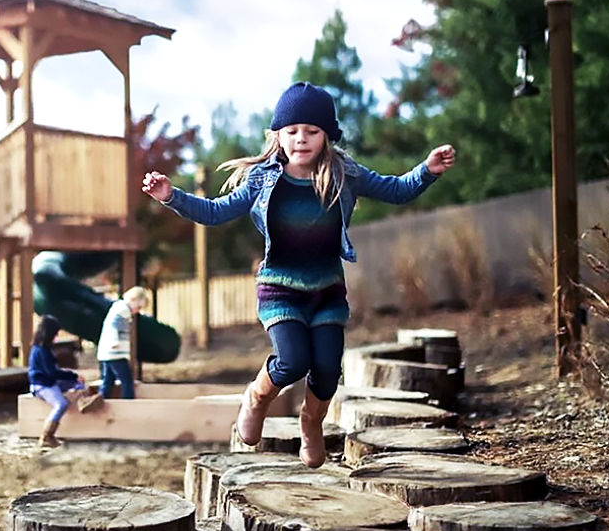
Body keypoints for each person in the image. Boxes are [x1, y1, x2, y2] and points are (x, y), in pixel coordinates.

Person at [142, 82, 455, 467]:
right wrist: (172, 196)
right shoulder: (261, 179)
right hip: (280, 289)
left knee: (326, 370)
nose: (301, 140)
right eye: (292, 131)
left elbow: (395, 190)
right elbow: (215, 212)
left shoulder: (345, 173)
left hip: (327, 290)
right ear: (278, 135)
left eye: (311, 131)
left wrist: (427, 171)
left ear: (327, 135)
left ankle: (311, 423)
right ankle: (256, 397)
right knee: (293, 360)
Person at [28, 315, 90, 448]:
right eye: (54, 335)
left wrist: (73, 378)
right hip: (42, 385)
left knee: (79, 385)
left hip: (49, 382)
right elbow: (52, 373)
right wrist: (72, 375)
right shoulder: (41, 351)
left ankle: (83, 402)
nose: (55, 338)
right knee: (61, 404)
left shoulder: (43, 349)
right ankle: (46, 436)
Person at [96, 286, 149, 399]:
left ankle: (100, 399)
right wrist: (114, 342)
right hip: (116, 353)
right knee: (126, 381)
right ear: (133, 300)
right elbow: (113, 326)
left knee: (108, 380)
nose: (138, 311)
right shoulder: (123, 311)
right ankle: (128, 403)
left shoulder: (117, 308)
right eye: (138, 307)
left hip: (106, 353)